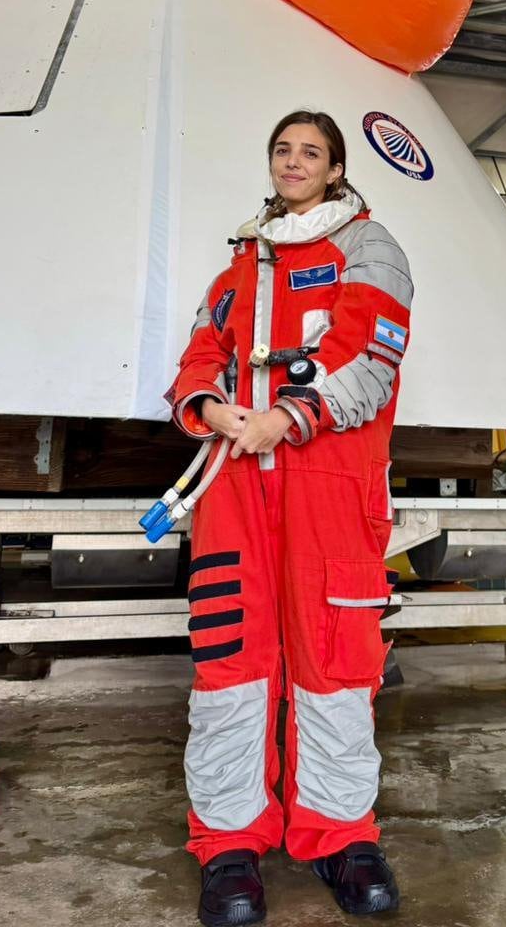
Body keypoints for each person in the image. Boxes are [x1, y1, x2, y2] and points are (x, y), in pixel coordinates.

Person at [165, 109, 413, 925]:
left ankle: (341, 833)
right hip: (236, 484)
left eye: (311, 150)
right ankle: (229, 842)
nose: (294, 160)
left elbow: (369, 363)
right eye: (283, 149)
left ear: (336, 167)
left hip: (330, 484)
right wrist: (210, 405)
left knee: (335, 666)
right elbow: (200, 356)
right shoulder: (238, 266)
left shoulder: (369, 249)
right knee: (232, 664)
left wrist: (287, 416)